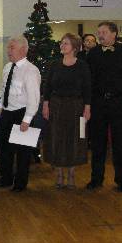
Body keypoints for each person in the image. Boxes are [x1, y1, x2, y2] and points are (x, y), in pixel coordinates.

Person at [86, 21, 122, 193]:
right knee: (98, 142)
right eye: (99, 32)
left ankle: (121, 179)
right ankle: (96, 178)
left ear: (114, 33)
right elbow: (88, 78)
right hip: (98, 103)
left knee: (120, 142)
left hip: (119, 102)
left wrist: (121, 90)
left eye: (103, 32)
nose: (100, 35)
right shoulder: (93, 53)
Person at [42, 33, 91, 188]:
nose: (62, 46)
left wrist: (87, 108)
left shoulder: (82, 66)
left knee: (76, 139)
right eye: (61, 43)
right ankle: (59, 174)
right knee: (56, 138)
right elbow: (47, 87)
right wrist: (45, 105)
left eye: (66, 43)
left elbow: (87, 88)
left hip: (77, 107)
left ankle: (71, 174)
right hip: (57, 106)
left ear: (74, 47)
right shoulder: (54, 65)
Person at [0, 36, 41, 192]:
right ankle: (6, 178)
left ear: (23, 49)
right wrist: (1, 106)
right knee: (4, 149)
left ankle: (20, 183)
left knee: (23, 152)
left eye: (12, 47)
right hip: (7, 113)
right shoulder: (7, 67)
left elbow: (34, 98)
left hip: (22, 113)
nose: (8, 50)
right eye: (8, 47)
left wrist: (27, 120)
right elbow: (3, 88)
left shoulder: (31, 70)